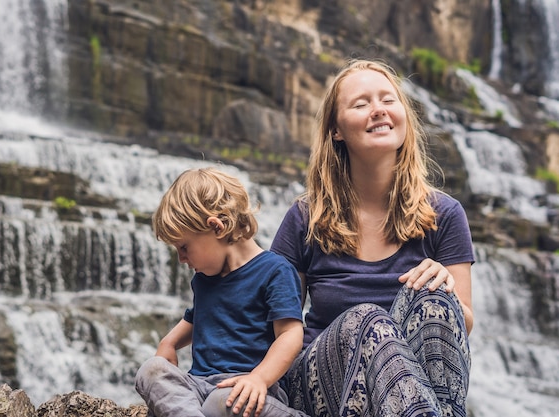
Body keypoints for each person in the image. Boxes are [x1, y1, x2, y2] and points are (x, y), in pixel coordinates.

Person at [270, 58, 475, 417]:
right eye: (362, 103)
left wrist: (448, 294)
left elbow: (462, 327)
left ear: (404, 116)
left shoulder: (445, 214)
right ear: (336, 130)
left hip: (410, 389)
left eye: (388, 100)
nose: (378, 110)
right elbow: (275, 322)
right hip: (320, 385)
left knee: (433, 299)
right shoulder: (305, 219)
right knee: (367, 319)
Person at [135, 167, 309, 417]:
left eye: (184, 247)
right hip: (200, 385)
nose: (181, 259)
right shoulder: (205, 277)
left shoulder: (275, 271)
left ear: (218, 227)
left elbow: (290, 335)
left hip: (246, 389)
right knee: (151, 370)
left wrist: (259, 378)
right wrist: (169, 343)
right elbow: (197, 317)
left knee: (222, 403)